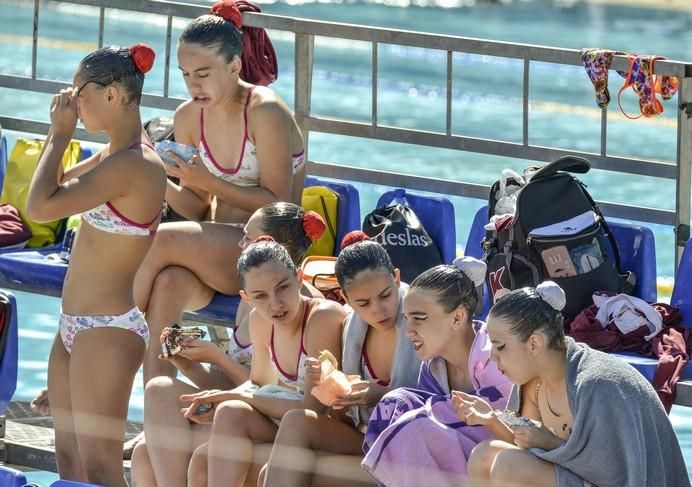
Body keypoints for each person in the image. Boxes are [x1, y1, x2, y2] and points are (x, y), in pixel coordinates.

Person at [132, 0, 305, 385]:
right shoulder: (188, 116)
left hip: (270, 253)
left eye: (204, 73)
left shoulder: (266, 112)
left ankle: (114, 332)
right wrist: (157, 174)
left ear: (234, 67)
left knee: (157, 241)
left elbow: (280, 205)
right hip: (218, 257)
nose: (194, 85)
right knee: (168, 285)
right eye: (186, 74)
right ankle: (162, 405)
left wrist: (210, 182)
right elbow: (195, 208)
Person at [25, 44, 166, 486]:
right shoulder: (112, 155)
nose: (72, 100)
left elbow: (40, 205)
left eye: (79, 91)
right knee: (69, 463)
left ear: (112, 95)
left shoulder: (136, 165)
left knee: (103, 470)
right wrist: (59, 137)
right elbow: (55, 185)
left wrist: (61, 134)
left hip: (107, 329)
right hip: (74, 326)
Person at [129, 203, 326, 483]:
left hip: (276, 419)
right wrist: (188, 364)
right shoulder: (251, 300)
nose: (239, 243)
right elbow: (249, 384)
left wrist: (218, 358)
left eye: (247, 237)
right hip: (246, 406)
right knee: (157, 397)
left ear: (267, 243)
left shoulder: (285, 305)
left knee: (155, 448)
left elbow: (271, 390)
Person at [456, 282, 690, 487]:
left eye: (500, 346)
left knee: (510, 466)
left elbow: (618, 476)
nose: (492, 356)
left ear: (534, 344)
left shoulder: (598, 385)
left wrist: (550, 442)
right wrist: (492, 420)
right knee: (484, 455)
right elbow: (529, 448)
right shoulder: (532, 380)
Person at [262, 240, 421, 487]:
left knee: (288, 474)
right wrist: (326, 384)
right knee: (296, 421)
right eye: (363, 303)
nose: (378, 310)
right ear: (346, 297)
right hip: (367, 438)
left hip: (412, 449)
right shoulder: (350, 328)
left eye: (385, 295)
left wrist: (385, 396)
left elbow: (444, 405)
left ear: (397, 278)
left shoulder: (424, 321)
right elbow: (344, 417)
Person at [360, 257, 512, 486]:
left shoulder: (496, 360)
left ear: (457, 318)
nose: (408, 331)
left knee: (417, 426)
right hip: (463, 462)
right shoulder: (434, 367)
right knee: (394, 403)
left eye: (419, 319)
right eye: (407, 319)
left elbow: (518, 432)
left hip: (501, 464)